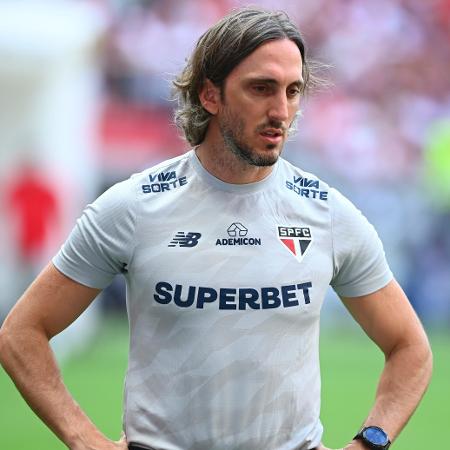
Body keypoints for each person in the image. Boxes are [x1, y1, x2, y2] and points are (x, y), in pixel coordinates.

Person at [0, 8, 432, 450]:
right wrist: (83, 439)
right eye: (261, 89)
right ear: (210, 94)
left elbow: (410, 348)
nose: (281, 111)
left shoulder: (328, 213)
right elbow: (22, 332)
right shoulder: (132, 207)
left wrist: (370, 442)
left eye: (293, 90)